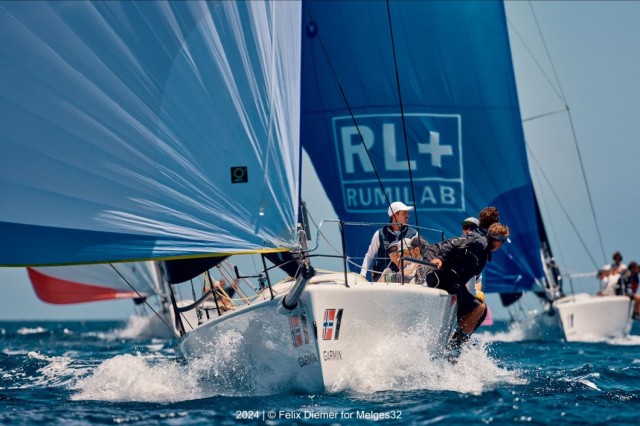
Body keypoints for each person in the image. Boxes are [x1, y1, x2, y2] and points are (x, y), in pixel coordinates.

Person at [419, 222, 511, 358]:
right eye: (502, 242)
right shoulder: (479, 242)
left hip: (453, 282)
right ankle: (453, 349)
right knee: (479, 309)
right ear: (497, 240)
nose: (501, 245)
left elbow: (465, 272)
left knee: (480, 309)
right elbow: (450, 246)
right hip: (444, 278)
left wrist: (457, 290)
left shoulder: (483, 248)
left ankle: (454, 345)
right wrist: (439, 258)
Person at [360, 201, 418, 281]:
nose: (408, 216)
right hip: (382, 278)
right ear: (394, 215)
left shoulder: (414, 234)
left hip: (405, 277)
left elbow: (419, 257)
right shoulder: (380, 234)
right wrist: (362, 275)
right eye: (404, 213)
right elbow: (370, 255)